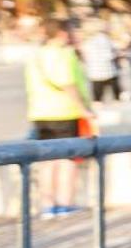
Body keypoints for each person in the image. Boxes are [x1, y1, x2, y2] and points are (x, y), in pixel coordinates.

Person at [24, 20, 93, 217]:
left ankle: (48, 205)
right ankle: (65, 202)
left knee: (47, 160)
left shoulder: (36, 55)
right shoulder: (63, 54)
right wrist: (84, 109)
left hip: (40, 112)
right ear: (63, 33)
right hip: (65, 111)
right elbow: (67, 82)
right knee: (68, 160)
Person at [79, 21, 121, 102]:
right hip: (107, 70)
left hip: (97, 71)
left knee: (98, 99)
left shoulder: (92, 40)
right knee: (115, 97)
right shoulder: (104, 38)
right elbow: (113, 51)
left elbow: (85, 55)